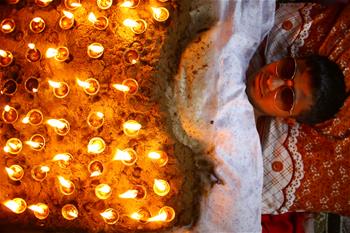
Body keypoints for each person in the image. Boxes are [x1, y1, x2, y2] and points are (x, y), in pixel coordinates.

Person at [245, 55, 346, 125]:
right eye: (287, 69)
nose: (271, 82)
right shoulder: (241, 42)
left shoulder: (238, 147)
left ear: (287, 120)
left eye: (287, 97)